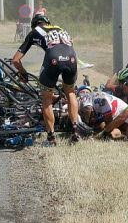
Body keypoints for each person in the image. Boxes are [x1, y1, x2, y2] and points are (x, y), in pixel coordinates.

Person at [11, 13, 81, 146]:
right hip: (72, 58)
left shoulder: (35, 32)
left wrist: (23, 73)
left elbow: (15, 60)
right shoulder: (61, 29)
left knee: (47, 98)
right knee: (70, 92)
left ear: (34, 25)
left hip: (53, 59)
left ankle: (51, 138)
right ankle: (75, 131)